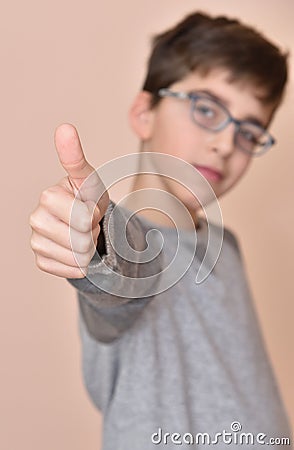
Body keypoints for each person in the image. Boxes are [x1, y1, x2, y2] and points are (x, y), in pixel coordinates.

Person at [29, 11, 292, 449]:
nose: (227, 144)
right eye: (207, 109)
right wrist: (93, 240)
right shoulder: (135, 247)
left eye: (250, 132)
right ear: (144, 113)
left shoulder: (227, 248)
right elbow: (117, 275)